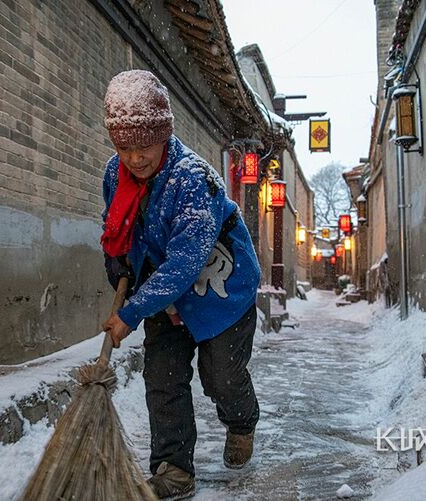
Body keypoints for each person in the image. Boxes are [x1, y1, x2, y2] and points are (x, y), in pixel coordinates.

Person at [100, 69, 261, 500]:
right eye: (124, 147)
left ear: (165, 134)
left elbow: (185, 264)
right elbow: (116, 231)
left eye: (144, 146)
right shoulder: (116, 176)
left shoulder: (191, 178)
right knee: (163, 378)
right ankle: (173, 467)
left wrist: (130, 313)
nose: (134, 158)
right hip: (163, 296)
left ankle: (242, 421)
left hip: (220, 292)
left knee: (221, 377)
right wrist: (118, 269)